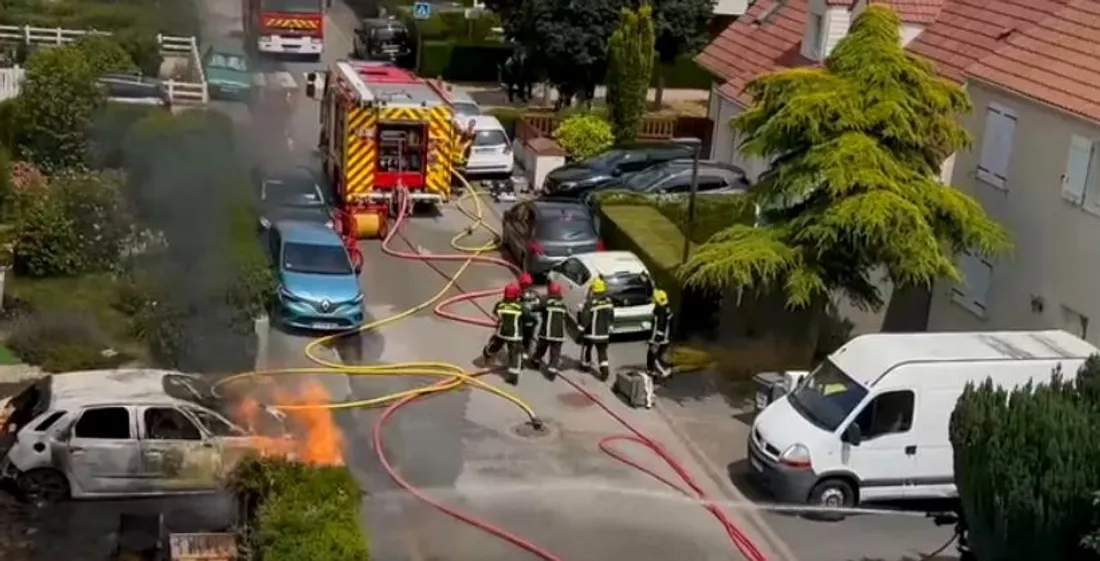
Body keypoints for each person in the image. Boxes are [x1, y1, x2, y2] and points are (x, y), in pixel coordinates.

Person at [482, 283, 525, 384]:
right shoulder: (519, 306)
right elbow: (526, 315)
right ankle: (514, 375)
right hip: (515, 335)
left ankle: (487, 353)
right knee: (515, 353)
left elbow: (495, 314)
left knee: (496, 344)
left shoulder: (500, 305)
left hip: (502, 332)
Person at [579, 276, 614, 381]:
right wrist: (610, 327)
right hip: (604, 333)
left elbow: (586, 317)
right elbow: (611, 316)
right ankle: (604, 371)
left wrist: (581, 328)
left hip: (591, 333)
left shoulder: (591, 303)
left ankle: (585, 365)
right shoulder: (608, 302)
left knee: (586, 347)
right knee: (602, 352)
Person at [531, 281, 568, 380]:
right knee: (555, 354)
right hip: (558, 335)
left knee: (541, 348)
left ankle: (535, 361)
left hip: (546, 333)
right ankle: (552, 371)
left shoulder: (546, 303)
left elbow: (534, 308)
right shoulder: (563, 306)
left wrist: (536, 301)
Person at [647, 289, 674, 379]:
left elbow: (659, 327)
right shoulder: (668, 310)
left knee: (654, 356)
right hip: (665, 338)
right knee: (653, 355)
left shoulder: (660, 312)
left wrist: (655, 340)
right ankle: (651, 371)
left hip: (659, 339)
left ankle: (663, 372)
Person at [518, 272, 541, 364]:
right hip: (522, 320)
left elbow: (539, 304)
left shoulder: (533, 295)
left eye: (527, 285)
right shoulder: (518, 293)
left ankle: (525, 351)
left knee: (528, 337)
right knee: (522, 336)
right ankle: (522, 351)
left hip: (530, 321)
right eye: (524, 285)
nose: (526, 287)